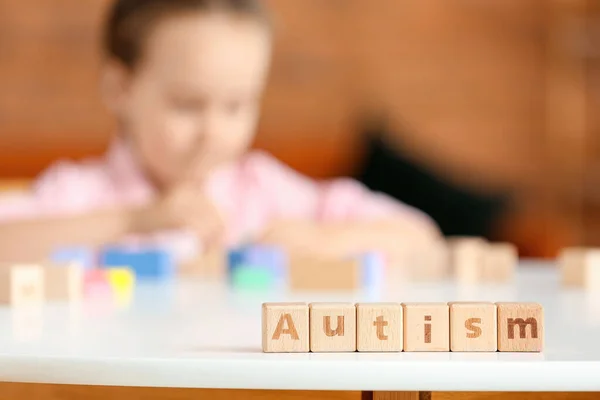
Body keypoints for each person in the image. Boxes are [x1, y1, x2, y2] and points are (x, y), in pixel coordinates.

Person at [0, 0, 440, 264]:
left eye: (236, 105)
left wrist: (323, 240)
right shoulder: (80, 194)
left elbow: (422, 237)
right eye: (188, 105)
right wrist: (132, 220)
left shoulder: (263, 190)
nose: (213, 132)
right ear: (120, 88)